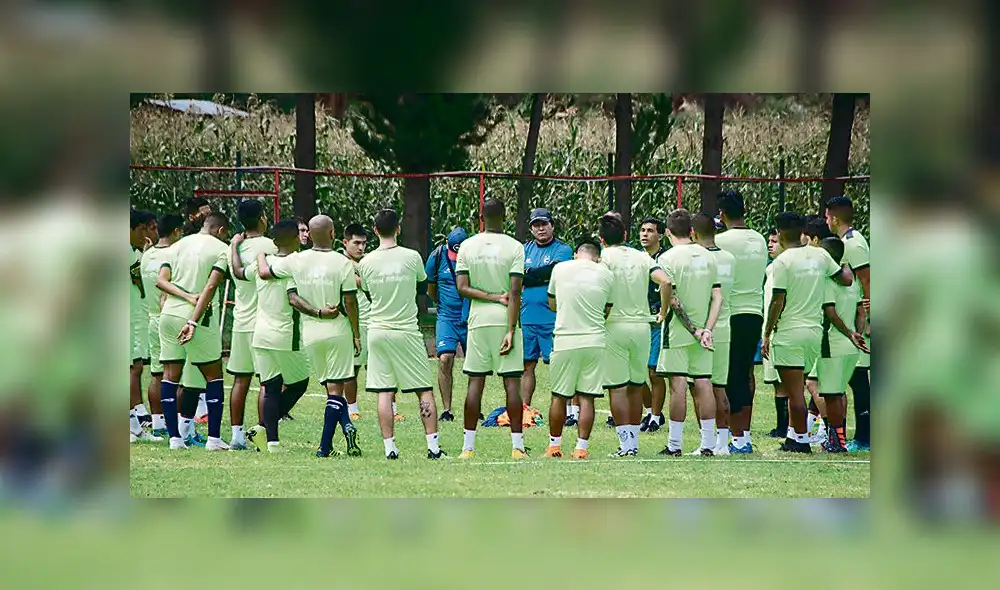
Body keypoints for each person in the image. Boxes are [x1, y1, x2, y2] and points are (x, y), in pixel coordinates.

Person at [257, 215, 363, 458]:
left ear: (309, 236)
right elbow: (349, 300)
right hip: (337, 329)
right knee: (336, 390)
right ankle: (324, 447)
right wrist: (356, 334)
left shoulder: (296, 260)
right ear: (333, 233)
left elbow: (266, 274)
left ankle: (346, 426)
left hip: (310, 333)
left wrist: (261, 253)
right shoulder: (341, 262)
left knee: (330, 388)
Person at [761, 212, 854, 453]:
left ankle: (800, 441)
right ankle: (794, 436)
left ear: (779, 234)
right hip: (814, 333)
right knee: (801, 387)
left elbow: (777, 301)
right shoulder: (821, 255)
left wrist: (767, 333)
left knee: (795, 393)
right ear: (803, 231)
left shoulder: (782, 262)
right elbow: (845, 279)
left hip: (790, 332)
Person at [356, 209, 444, 460]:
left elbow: (369, 292)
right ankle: (433, 448)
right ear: (399, 228)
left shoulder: (365, 262)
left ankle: (390, 449)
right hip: (405, 331)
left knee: (384, 390)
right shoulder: (411, 256)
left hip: (377, 331)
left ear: (374, 230)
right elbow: (422, 284)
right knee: (423, 389)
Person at [455, 197, 527, 459]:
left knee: (475, 382)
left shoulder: (467, 245)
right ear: (505, 216)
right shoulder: (515, 247)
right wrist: (510, 329)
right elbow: (515, 291)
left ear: (480, 217)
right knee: (512, 385)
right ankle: (517, 447)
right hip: (504, 319)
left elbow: (462, 287)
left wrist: (489, 297)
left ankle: (468, 448)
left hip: (478, 321)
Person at [232, 220, 311, 453]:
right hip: (285, 334)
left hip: (261, 333)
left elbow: (237, 272)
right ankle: (263, 426)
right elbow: (293, 298)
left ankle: (272, 443)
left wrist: (235, 248)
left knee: (271, 386)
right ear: (296, 238)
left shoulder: (263, 261)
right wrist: (318, 311)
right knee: (299, 383)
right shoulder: (295, 263)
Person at [156, 212, 232, 450]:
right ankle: (214, 439)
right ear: (220, 230)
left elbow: (161, 281)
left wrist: (183, 295)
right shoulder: (221, 249)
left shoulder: (177, 245)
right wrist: (194, 320)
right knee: (213, 375)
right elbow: (210, 286)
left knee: (169, 375)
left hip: (168, 315)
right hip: (198, 319)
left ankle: (175, 439)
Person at [597, 213, 670, 457]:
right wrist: (664, 310)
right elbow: (666, 282)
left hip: (615, 324)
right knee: (636, 386)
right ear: (626, 235)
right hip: (642, 327)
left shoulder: (603, 258)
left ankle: (625, 445)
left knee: (617, 388)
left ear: (601, 239)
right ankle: (634, 444)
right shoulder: (642, 257)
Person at [655, 209, 722, 456]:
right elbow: (718, 297)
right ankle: (707, 444)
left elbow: (671, 299)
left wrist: (694, 330)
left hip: (678, 332)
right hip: (704, 333)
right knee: (703, 382)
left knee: (678, 385)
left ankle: (674, 444)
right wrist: (707, 329)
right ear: (692, 232)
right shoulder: (708, 256)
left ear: (668, 232)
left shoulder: (667, 259)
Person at [544, 238, 614, 460]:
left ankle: (554, 447)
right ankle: (581, 448)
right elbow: (607, 309)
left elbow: (552, 304)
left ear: (576, 254)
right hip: (595, 340)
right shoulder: (606, 273)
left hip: (565, 339)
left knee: (558, 396)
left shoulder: (560, 268)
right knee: (587, 398)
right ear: (598, 256)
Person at [715, 190, 768, 454]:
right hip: (754, 313)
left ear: (721, 214)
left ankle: (734, 438)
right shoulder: (759, 239)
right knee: (746, 372)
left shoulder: (720, 241)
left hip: (731, 314)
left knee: (728, 377)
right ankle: (743, 435)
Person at [225, 200, 277, 450]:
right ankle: (261, 434)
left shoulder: (233, 247)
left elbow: (236, 272)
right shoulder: (270, 245)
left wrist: (234, 245)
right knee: (266, 381)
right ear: (262, 217)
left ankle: (236, 436)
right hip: (263, 321)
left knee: (240, 380)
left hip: (240, 322)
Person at [813, 236, 870, 452]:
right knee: (837, 393)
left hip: (833, 344)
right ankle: (838, 439)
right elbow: (861, 310)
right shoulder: (853, 282)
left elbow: (830, 312)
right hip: (850, 348)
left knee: (831, 394)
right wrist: (858, 332)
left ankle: (837, 442)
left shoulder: (828, 282)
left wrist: (848, 333)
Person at [825, 196, 872, 452]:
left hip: (858, 322)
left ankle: (865, 436)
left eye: (827, 216)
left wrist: (868, 318)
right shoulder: (844, 242)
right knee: (853, 377)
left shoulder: (854, 244)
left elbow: (867, 279)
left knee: (859, 378)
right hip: (852, 320)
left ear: (834, 217)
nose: (826, 221)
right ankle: (857, 435)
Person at [519, 208, 574, 413]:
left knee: (558, 365)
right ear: (531, 229)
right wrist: (535, 275)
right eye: (536, 225)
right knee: (527, 365)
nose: (540, 228)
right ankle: (525, 409)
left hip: (553, 317)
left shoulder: (563, 249)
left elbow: (554, 272)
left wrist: (530, 274)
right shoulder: (525, 249)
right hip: (528, 317)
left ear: (552, 225)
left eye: (544, 224)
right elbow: (517, 274)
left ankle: (568, 411)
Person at [692, 213, 737, 455]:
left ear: (693, 234)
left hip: (704, 327)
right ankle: (722, 443)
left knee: (702, 385)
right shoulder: (729, 258)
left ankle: (707, 443)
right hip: (725, 325)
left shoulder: (699, 258)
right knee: (719, 386)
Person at [140, 212, 184, 439]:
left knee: (157, 374)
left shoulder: (147, 255)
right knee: (177, 376)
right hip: (170, 318)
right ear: (176, 231)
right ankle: (176, 422)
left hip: (151, 318)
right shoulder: (175, 254)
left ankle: (157, 422)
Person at [426, 227, 470, 422]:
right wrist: (442, 305)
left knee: (474, 366)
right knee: (445, 359)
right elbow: (431, 289)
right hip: (447, 317)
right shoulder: (436, 257)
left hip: (469, 316)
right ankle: (447, 409)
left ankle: (473, 407)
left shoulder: (472, 258)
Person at [130, 209, 160, 442]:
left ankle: (135, 424)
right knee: (133, 367)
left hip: (137, 318)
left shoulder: (137, 252)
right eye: (148, 228)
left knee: (137, 365)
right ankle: (134, 421)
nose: (150, 234)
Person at [638, 217, 669, 433]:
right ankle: (650, 410)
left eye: (650, 230)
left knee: (653, 371)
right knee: (636, 373)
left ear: (661, 235)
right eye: (642, 230)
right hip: (638, 318)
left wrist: (663, 311)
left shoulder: (665, 259)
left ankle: (656, 416)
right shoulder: (636, 258)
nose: (645, 234)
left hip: (657, 318)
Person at [762, 229, 789, 440]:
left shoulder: (786, 266)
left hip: (782, 331)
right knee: (777, 381)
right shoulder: (770, 268)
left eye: (774, 241)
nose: (770, 245)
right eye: (768, 241)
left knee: (790, 380)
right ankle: (782, 426)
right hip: (769, 330)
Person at [342, 223, 370, 421]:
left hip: (375, 319)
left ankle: (393, 410)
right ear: (345, 242)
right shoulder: (340, 263)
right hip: (353, 321)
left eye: (364, 243)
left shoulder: (369, 261)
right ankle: (352, 408)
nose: (361, 248)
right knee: (353, 366)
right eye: (356, 243)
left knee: (383, 365)